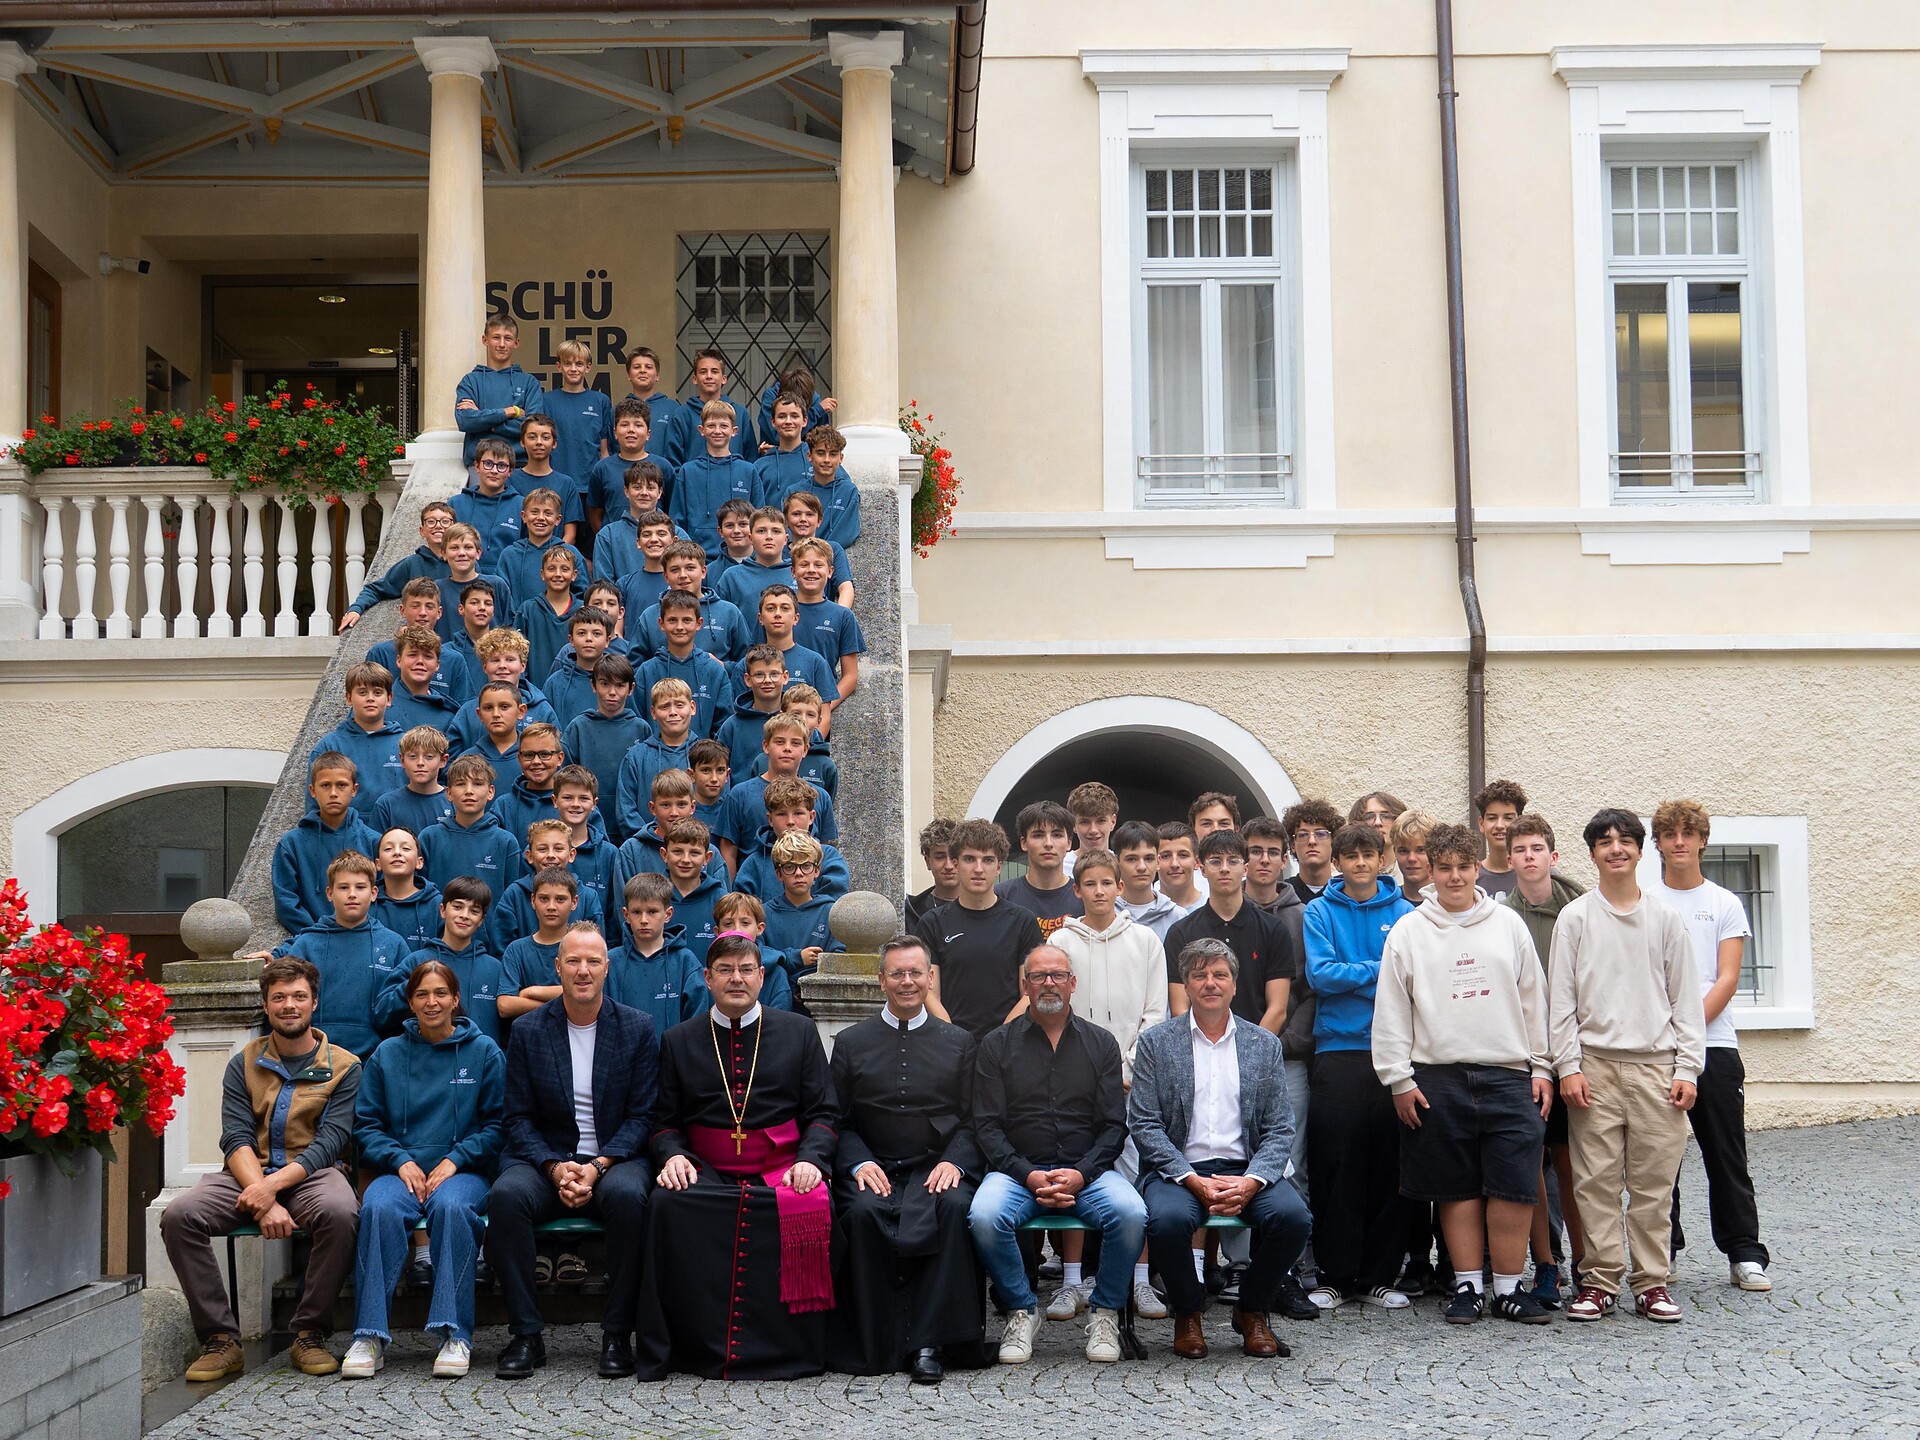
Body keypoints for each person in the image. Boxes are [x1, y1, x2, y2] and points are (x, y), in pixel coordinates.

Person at [1371, 822, 1555, 1326]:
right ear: (1430, 870)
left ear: (1478, 868)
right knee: (1456, 1187)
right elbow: (1391, 1008)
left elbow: (1534, 1000)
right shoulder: (1410, 930)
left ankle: (1508, 1289)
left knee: (1513, 1184)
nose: (1455, 877)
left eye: (1463, 867)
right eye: (1444, 868)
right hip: (1437, 1075)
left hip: (1509, 1072)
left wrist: (1542, 1067)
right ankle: (1468, 1286)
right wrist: (1398, 1078)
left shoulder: (1509, 925)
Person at [635, 933, 840, 1381]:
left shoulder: (798, 1031)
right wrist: (671, 1155)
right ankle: (690, 1346)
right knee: (667, 1204)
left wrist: (811, 1159)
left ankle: (792, 1351)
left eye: (746, 969)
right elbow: (664, 1122)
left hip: (782, 1168)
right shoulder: (678, 1040)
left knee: (814, 1201)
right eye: (725, 970)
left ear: (762, 977)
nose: (736, 979)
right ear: (707, 979)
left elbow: (823, 1112)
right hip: (706, 1170)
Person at [159, 957, 361, 1381]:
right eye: (279, 998)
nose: (290, 1005)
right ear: (266, 1006)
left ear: (314, 1002)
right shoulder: (243, 1062)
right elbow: (235, 1138)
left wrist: (271, 1190)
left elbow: (330, 1142)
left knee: (341, 1212)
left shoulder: (345, 1065)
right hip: (247, 1170)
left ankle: (309, 1333)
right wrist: (263, 1196)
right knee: (180, 1215)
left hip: (313, 1173)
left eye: (299, 997)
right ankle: (220, 1340)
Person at [1549, 808, 1705, 1324]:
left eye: (1625, 841)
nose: (1616, 849)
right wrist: (1567, 1066)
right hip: (1594, 1067)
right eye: (1605, 841)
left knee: (1653, 1184)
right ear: (1592, 853)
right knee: (1593, 1181)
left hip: (1658, 1068)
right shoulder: (1575, 918)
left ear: (1641, 850)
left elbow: (1686, 1000)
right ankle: (1599, 1282)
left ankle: (1652, 1281)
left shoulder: (1664, 919)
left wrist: (1688, 1069)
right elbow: (1561, 1002)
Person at [489, 923, 658, 1379]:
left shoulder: (638, 1028)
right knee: (506, 1198)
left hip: (614, 1158)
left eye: (593, 961)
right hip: (545, 1158)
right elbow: (517, 1118)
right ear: (557, 967)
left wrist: (599, 1165)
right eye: (574, 961)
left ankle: (618, 1335)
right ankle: (526, 1336)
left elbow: (643, 1117)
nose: (583, 971)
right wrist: (554, 1166)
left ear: (608, 967)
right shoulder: (528, 1030)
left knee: (629, 1198)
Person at [1132, 938, 1313, 1359]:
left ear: (1234, 985)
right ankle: (1188, 1312)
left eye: (1219, 975)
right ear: (1187, 985)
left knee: (1294, 1218)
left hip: (1245, 1167)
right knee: (1166, 1220)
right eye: (1199, 975)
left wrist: (1252, 1180)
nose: (1210, 983)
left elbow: (1280, 1127)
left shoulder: (1263, 1044)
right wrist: (1189, 1178)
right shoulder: (1157, 1043)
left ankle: (1252, 1310)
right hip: (1180, 1168)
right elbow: (1144, 1123)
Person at [968, 946, 1146, 1365]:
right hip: (1017, 1172)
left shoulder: (1101, 1044)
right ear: (1024, 984)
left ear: (1072, 983)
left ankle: (1104, 1312)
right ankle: (1022, 1310)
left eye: (1058, 975)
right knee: (984, 1216)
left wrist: (1081, 1174)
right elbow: (987, 1127)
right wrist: (1028, 1175)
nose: (1049, 983)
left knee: (1132, 1212)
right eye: (1040, 976)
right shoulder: (996, 1045)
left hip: (1087, 1172)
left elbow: (1111, 1126)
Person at [827, 935, 986, 1382]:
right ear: (881, 980)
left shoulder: (959, 1042)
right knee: (860, 1211)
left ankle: (932, 1343)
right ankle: (873, 1342)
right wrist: (857, 1163)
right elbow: (834, 1119)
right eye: (897, 973)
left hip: (934, 1165)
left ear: (930, 978)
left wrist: (955, 1162)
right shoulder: (852, 1042)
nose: (907, 981)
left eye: (916, 973)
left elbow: (976, 1120)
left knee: (953, 1206)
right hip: (872, 1165)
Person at [343, 960, 505, 1380]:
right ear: (410, 1001)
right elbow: (367, 1125)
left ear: (455, 999)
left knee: (451, 1208)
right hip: (402, 1171)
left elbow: (498, 1124)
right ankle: (369, 1334)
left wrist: (457, 1158)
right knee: (377, 1207)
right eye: (421, 994)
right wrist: (401, 1160)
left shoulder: (485, 1051)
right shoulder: (387, 1055)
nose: (431, 1002)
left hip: (463, 1171)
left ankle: (455, 1334)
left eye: (440, 994)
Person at [1645, 798, 1772, 1292]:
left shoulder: (1724, 903)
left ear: (1702, 840)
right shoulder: (1645, 901)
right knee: (1660, 1158)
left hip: (1714, 1046)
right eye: (1669, 834)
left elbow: (1726, 978)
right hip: (1655, 1046)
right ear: (1656, 843)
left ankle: (1744, 1253)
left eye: (1687, 833)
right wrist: (1668, 1031)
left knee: (1726, 1152)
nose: (1679, 842)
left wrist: (1689, 1029)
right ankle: (1665, 1250)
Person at [1046, 848, 1167, 1322]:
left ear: (1121, 888)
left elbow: (1155, 1013)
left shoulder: (1145, 941)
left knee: (1134, 1178)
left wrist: (1128, 1068)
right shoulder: (1062, 939)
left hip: (1130, 1080)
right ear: (1077, 890)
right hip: (1074, 1079)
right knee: (1075, 1167)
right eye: (1089, 884)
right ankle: (1072, 1282)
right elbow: (1055, 1009)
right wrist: (1083, 1072)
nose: (1099, 892)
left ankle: (1139, 1282)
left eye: (1107, 883)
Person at [1302, 821, 1416, 1311]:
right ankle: (1335, 1274)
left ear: (1381, 859)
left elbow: (1414, 978)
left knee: (1390, 1165)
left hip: (1394, 1051)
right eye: (1351, 857)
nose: (1361, 864)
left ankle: (1379, 1276)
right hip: (1338, 1052)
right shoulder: (1319, 911)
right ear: (1338, 863)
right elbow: (1322, 975)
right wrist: (1381, 969)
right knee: (1337, 1164)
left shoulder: (1407, 913)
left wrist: (1369, 974)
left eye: (1369, 855)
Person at [1502, 812, 1588, 1304]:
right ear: (1509, 858)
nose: (1529, 857)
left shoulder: (1580, 906)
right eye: (1521, 850)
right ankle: (1546, 1266)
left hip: (1574, 1054)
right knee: (1529, 1169)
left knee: (1574, 1167)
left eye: (1537, 848)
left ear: (1552, 857)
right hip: (1527, 1059)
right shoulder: (1504, 917)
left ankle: (1586, 1262)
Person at [270, 851, 410, 1060]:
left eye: (360, 887)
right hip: (317, 1058)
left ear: (373, 893)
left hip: (374, 1059)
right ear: (329, 893)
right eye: (343, 887)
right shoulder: (307, 944)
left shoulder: (393, 944)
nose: (352, 894)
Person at [913, 818, 1046, 1037]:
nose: (978, 869)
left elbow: (1030, 991)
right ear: (955, 863)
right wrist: (953, 1036)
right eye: (969, 859)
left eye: (987, 860)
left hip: (1009, 1044)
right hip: (950, 1043)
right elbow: (929, 991)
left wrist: (1001, 1038)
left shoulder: (1023, 921)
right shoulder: (932, 922)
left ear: (999, 866)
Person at [387, 876, 506, 1046]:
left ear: (482, 920)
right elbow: (383, 1014)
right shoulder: (416, 961)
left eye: (474, 911)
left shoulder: (495, 968)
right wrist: (415, 983)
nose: (464, 916)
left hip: (478, 1066)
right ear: (442, 910)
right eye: (457, 907)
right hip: (425, 1062)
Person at [272, 753, 379, 934]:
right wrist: (316, 935)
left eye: (341, 785)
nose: (333, 793)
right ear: (313, 791)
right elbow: (286, 902)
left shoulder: (373, 841)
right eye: (325, 786)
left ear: (354, 789)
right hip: (314, 940)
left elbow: (383, 895)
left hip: (365, 936)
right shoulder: (291, 844)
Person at [605, 873, 709, 1036]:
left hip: (672, 1059)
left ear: (668, 914)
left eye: (652, 912)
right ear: (626, 914)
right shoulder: (611, 962)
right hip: (623, 1059)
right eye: (637, 912)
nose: (644, 920)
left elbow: (697, 1023)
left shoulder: (686, 962)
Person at [562, 654, 650, 839]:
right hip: (586, 825)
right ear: (593, 685)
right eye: (605, 684)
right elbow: (565, 778)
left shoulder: (641, 729)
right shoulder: (578, 727)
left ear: (631, 688)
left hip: (632, 828)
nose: (612, 692)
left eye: (620, 685)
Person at [418, 754, 525, 896]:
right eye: (461, 784)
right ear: (449, 793)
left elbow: (512, 898)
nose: (469, 791)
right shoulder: (429, 838)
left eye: (478, 784)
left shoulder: (506, 842)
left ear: (491, 792)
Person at [339, 500, 454, 631]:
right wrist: (356, 609)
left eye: (445, 521)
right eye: (431, 522)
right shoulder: (412, 564)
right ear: (422, 531)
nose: (438, 526)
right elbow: (376, 589)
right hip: (422, 642)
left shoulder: (464, 564)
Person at [308, 661, 405, 812]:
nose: (370, 698)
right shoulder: (329, 747)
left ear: (389, 698)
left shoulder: (406, 745)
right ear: (348, 698)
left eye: (378, 693)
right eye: (362, 692)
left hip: (396, 831)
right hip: (347, 831)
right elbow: (315, 806)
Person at [670, 397, 758, 558]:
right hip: (697, 557)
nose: (717, 431)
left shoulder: (748, 470)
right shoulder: (687, 471)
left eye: (724, 426)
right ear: (701, 430)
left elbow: (759, 519)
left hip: (741, 557)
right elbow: (677, 520)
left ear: (734, 431)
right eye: (711, 426)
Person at [455, 311, 543, 465]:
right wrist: (510, 411)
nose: (502, 344)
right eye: (496, 337)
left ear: (516, 343)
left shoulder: (529, 383)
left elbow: (533, 429)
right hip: (480, 465)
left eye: (507, 338)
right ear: (485, 340)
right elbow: (465, 421)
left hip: (520, 465)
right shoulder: (470, 381)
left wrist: (485, 422)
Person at [544, 338, 614, 528]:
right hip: (556, 484)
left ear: (587, 367)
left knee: (590, 546)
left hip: (589, 485)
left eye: (579, 363)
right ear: (559, 366)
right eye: (567, 363)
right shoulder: (547, 401)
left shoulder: (601, 401)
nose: (573, 368)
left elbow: (604, 450)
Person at [994, 800, 1079, 935]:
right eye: (1038, 835)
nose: (1048, 843)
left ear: (1068, 843)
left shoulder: (1084, 896)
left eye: (1057, 835)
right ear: (1024, 843)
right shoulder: (1000, 897)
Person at [510, 415, 584, 543]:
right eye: (532, 437)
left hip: (555, 558)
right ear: (522, 442)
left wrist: (552, 559)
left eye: (545, 437)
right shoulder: (510, 480)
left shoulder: (566, 484)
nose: (539, 442)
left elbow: (570, 535)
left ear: (554, 443)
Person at [451, 441, 529, 559]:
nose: (494, 470)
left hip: (507, 575)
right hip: (464, 575)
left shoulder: (522, 505)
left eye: (501, 466)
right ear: (477, 466)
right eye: (488, 464)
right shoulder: (456, 504)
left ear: (510, 471)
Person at [382, 627, 464, 737]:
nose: (420, 661)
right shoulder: (379, 705)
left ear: (437, 665)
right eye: (412, 654)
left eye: (428, 656)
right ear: (399, 660)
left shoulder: (448, 713)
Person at [791, 423, 861, 549]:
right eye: (821, 453)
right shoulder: (794, 491)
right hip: (798, 556)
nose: (827, 460)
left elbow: (847, 533)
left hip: (832, 556)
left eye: (833, 454)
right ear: (809, 456)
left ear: (841, 458)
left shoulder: (849, 492)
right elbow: (788, 529)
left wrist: (820, 551)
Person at [370, 826, 440, 951]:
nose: (397, 852)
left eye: (406, 848)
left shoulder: (437, 906)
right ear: (378, 863)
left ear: (419, 862)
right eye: (388, 848)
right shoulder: (367, 903)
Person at [1112, 819, 1182, 942]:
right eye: (1132, 859)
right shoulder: (1105, 912)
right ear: (1117, 863)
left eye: (1149, 858)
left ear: (1158, 861)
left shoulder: (1178, 916)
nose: (1142, 867)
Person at [1474, 778, 1528, 898]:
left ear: (1519, 822)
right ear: (1481, 824)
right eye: (1492, 818)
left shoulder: (1536, 874)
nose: (1499, 825)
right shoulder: (1471, 878)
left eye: (1508, 818)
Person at [1283, 798, 1343, 903]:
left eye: (1320, 834)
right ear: (1293, 845)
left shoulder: (1345, 894)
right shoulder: (1283, 894)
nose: (1312, 841)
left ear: (1333, 842)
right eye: (1303, 835)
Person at [906, 817, 962, 930]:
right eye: (940, 857)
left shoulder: (985, 908)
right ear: (928, 861)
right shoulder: (910, 913)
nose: (949, 866)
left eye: (955, 857)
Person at [1062, 782, 1119, 879]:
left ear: (1113, 822)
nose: (1093, 830)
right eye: (1085, 822)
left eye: (1101, 821)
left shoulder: (1123, 866)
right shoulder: (1060, 867)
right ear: (1073, 824)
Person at [1155, 821, 1207, 912]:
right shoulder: (1144, 913)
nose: (1174, 864)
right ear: (1155, 862)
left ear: (1197, 862)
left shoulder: (1212, 910)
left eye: (1183, 855)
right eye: (1165, 856)